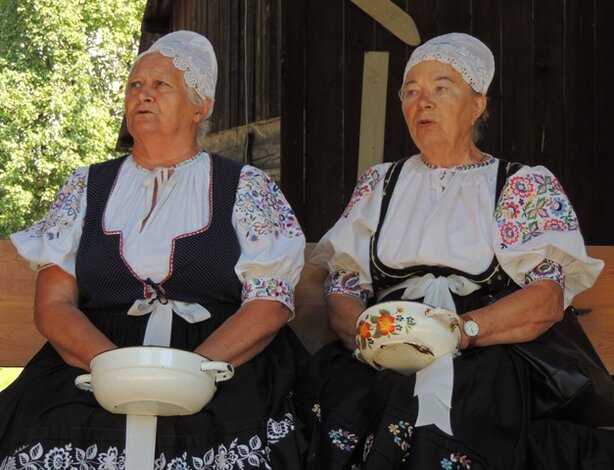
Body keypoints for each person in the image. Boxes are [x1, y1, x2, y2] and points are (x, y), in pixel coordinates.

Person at [294, 32, 614, 469]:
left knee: (453, 408)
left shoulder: (520, 184)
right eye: (411, 92)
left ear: (477, 104)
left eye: (441, 87)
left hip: (484, 353)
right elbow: (343, 287)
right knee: (347, 402)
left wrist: (457, 332)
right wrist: (373, 338)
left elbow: (546, 299)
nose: (421, 101)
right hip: (385, 350)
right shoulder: (380, 184)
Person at [0, 30, 309, 468]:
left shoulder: (244, 186)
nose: (143, 95)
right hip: (98, 357)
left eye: (160, 85)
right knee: (44, 433)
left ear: (201, 107)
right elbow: (54, 301)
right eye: (135, 85)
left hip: (220, 359)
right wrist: (111, 367)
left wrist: (192, 372)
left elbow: (271, 301)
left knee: (239, 441)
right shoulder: (86, 186)